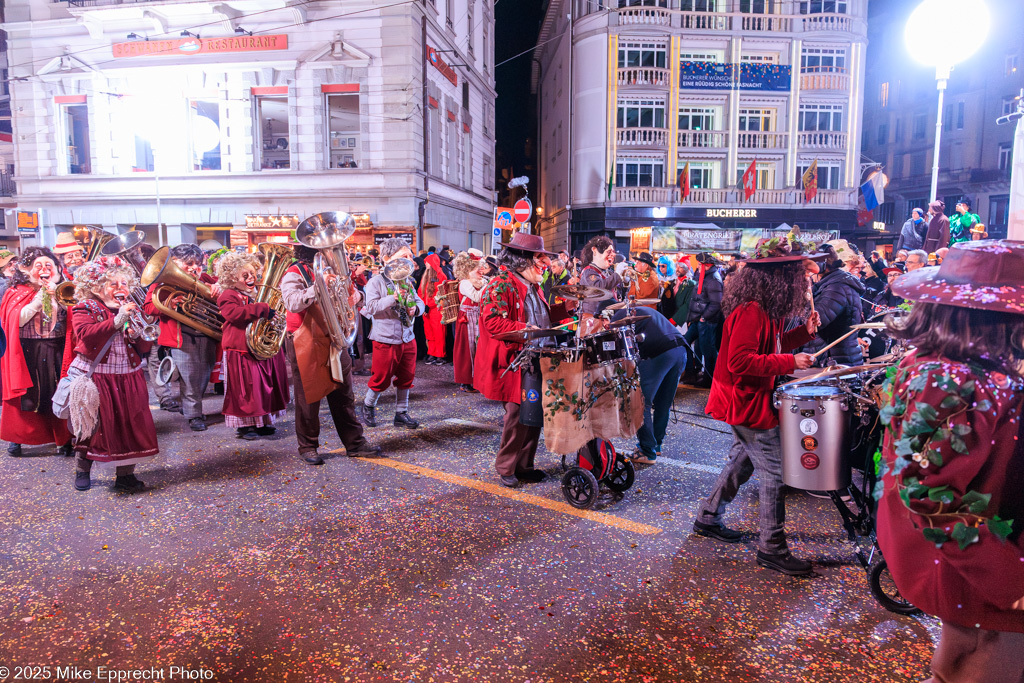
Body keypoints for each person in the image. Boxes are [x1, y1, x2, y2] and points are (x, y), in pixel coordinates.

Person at [876, 240, 1024, 683]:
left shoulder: (936, 364)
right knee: (977, 662)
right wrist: (1011, 581)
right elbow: (927, 490)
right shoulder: (963, 379)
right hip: (978, 568)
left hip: (961, 563)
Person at [693, 237, 822, 576]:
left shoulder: (767, 308)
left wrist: (802, 336)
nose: (802, 282)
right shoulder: (752, 310)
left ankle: (708, 516)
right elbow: (739, 361)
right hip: (745, 399)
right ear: (778, 278)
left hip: (751, 397)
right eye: (796, 276)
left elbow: (772, 345)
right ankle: (772, 548)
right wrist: (789, 360)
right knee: (776, 473)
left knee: (743, 461)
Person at [475, 233, 567, 488]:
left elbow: (542, 317)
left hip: (537, 358)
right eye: (540, 257)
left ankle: (524, 465)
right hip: (515, 361)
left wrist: (569, 308)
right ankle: (506, 467)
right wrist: (525, 329)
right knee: (517, 414)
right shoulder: (501, 284)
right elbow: (492, 322)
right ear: (523, 259)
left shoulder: (532, 283)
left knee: (534, 412)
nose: (546, 263)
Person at [280, 243, 380, 466]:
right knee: (309, 397)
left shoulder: (335, 272)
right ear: (317, 252)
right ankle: (307, 446)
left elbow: (353, 296)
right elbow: (292, 302)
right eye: (334, 249)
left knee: (344, 394)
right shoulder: (294, 272)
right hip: (306, 339)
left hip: (334, 338)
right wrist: (319, 287)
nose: (342, 255)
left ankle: (355, 443)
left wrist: (358, 298)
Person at [67, 260, 158, 492]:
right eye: (113, 283)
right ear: (97, 287)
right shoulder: (85, 306)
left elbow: (142, 347)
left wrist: (139, 332)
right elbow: (85, 335)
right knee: (91, 425)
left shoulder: (131, 306)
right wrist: (118, 320)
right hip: (98, 377)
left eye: (124, 283)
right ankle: (82, 470)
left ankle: (125, 475)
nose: (120, 287)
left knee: (131, 424)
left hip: (129, 375)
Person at [0, 247, 73, 457]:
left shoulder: (63, 289)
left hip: (57, 348)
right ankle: (18, 437)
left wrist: (57, 299)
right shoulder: (16, 292)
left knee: (58, 393)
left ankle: (63, 437)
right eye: (38, 266)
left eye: (48, 265)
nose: (43, 270)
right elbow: (15, 321)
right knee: (27, 396)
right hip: (28, 351)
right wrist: (36, 302)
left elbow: (73, 319)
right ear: (27, 269)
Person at [143, 244, 220, 432]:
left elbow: (225, 289)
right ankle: (194, 415)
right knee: (190, 376)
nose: (195, 268)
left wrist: (219, 286)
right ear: (175, 263)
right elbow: (148, 308)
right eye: (189, 264)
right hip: (182, 336)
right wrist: (169, 302)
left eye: (198, 264)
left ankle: (193, 409)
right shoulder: (163, 283)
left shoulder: (205, 278)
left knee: (203, 375)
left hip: (207, 333)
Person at [215, 251, 290, 440]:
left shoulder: (257, 294)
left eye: (253, 274)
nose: (252, 278)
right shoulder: (228, 294)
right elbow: (234, 315)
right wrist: (262, 308)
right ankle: (245, 426)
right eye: (245, 275)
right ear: (231, 278)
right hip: (240, 349)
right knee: (245, 389)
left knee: (262, 387)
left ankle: (262, 422)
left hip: (257, 348)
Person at [359, 238, 425, 429]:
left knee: (407, 376)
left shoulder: (407, 281)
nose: (409, 259)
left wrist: (416, 310)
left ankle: (401, 413)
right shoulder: (375, 282)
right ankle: (369, 405)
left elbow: (419, 302)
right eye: (404, 256)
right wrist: (392, 298)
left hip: (407, 336)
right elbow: (370, 307)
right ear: (387, 258)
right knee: (381, 376)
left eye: (410, 255)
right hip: (385, 337)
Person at [611, 307, 688, 465]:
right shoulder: (640, 310)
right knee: (663, 403)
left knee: (639, 402)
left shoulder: (617, 319)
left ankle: (647, 450)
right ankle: (656, 444)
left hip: (660, 353)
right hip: (680, 350)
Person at [807, 247, 866, 366]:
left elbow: (817, 322)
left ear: (821, 266)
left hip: (834, 360)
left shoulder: (837, 288)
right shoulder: (832, 284)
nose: (808, 272)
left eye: (809, 267)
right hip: (834, 357)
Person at [685, 252, 724, 388]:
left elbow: (716, 303)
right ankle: (692, 372)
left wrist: (703, 317)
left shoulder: (713, 279)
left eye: (700, 264)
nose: (698, 266)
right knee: (685, 342)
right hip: (699, 319)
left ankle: (709, 379)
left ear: (706, 265)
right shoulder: (705, 277)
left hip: (707, 321)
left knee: (709, 352)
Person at [453, 250, 487, 393]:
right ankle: (467, 380)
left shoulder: (481, 281)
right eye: (476, 268)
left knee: (480, 349)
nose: (480, 271)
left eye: (480, 267)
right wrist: (487, 286)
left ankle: (478, 379)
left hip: (478, 317)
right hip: (467, 319)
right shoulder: (465, 283)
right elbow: (477, 297)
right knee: (468, 350)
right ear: (467, 269)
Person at [578, 236, 622, 318]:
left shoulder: (606, 272)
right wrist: (618, 274)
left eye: (613, 251)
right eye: (609, 251)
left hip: (604, 317)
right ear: (594, 251)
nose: (613, 254)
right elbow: (599, 288)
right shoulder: (589, 271)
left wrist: (625, 281)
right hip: (592, 319)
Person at [419, 253, 448, 365]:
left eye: (427, 262)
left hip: (437, 309)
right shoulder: (425, 275)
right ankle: (432, 353)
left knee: (439, 333)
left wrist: (429, 304)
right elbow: (421, 292)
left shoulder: (441, 276)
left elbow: (441, 294)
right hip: (427, 310)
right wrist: (423, 305)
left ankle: (440, 355)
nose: (425, 263)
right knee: (429, 332)